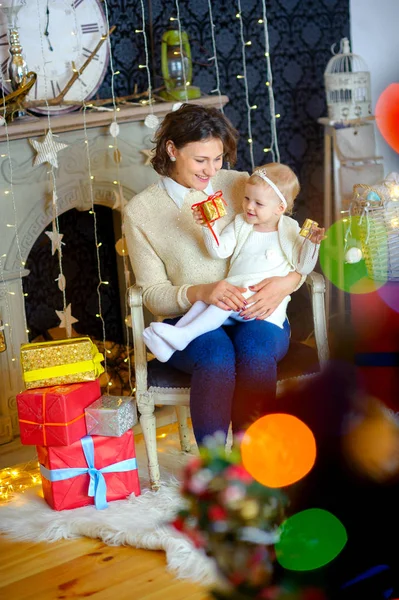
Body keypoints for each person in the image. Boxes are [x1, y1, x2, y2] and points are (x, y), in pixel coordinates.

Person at [124, 103, 311, 444]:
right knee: (216, 356)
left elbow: (292, 241)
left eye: (218, 157)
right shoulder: (141, 212)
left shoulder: (241, 184)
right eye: (200, 160)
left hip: (255, 311)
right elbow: (152, 293)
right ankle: (215, 469)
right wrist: (201, 292)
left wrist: (287, 283)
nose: (212, 169)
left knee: (255, 351)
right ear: (172, 150)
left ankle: (255, 458)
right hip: (192, 318)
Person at [143, 162, 324, 364]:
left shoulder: (290, 230)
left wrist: (312, 245)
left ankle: (184, 336)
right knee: (208, 300)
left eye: (259, 204)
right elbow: (219, 251)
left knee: (227, 299)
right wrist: (208, 226)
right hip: (236, 294)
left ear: (279, 208)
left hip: (260, 306)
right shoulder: (241, 224)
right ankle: (171, 341)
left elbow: (303, 267)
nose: (249, 206)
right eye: (247, 198)